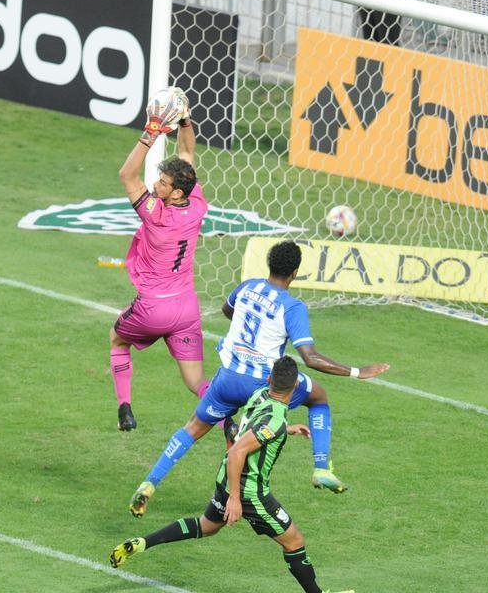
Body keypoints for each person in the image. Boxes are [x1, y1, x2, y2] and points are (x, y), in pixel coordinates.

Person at [129, 240, 390, 517]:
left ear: (270, 264)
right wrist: (357, 371)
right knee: (318, 398)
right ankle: (321, 466)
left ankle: (149, 484)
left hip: (228, 379)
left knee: (192, 428)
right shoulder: (292, 307)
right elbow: (310, 358)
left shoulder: (248, 287)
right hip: (262, 385)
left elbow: (227, 310)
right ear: (295, 272)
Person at [110, 357, 351, 593]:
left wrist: (287, 430)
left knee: (206, 527)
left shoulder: (260, 395)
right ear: (296, 384)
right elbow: (237, 451)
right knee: (294, 541)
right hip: (249, 492)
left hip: (226, 478)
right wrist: (235, 499)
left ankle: (142, 543)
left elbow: (249, 429)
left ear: (269, 379)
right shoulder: (275, 419)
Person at [111, 90, 209, 432]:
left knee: (117, 339)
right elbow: (186, 151)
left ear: (176, 192)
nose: (156, 184)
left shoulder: (156, 213)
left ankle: (125, 407)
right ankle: (227, 420)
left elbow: (128, 175)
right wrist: (184, 119)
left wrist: (151, 133)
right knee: (196, 381)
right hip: (187, 308)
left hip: (154, 308)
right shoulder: (196, 203)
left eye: (163, 183)